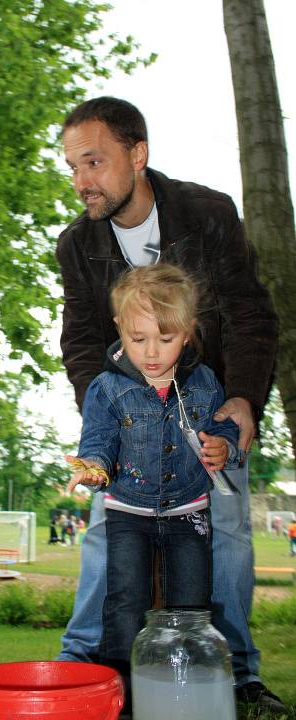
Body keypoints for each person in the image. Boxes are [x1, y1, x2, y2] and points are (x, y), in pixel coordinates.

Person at [55, 96, 285, 715]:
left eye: (94, 163)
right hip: (127, 416)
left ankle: (238, 678)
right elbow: (80, 338)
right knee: (105, 532)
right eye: (72, 167)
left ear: (138, 154)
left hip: (210, 411)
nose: (81, 181)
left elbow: (248, 313)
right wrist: (110, 410)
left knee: (229, 535)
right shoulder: (76, 245)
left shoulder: (208, 213)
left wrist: (241, 399)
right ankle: (86, 670)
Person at [66, 264, 239, 713]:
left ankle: (185, 697)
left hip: (190, 512)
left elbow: (223, 430)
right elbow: (98, 441)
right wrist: (94, 468)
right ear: (120, 328)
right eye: (138, 339)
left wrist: (225, 446)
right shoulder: (107, 388)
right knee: (125, 603)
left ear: (187, 333)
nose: (151, 353)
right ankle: (121, 698)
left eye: (165, 339)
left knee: (191, 607)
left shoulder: (205, 383)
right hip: (128, 513)